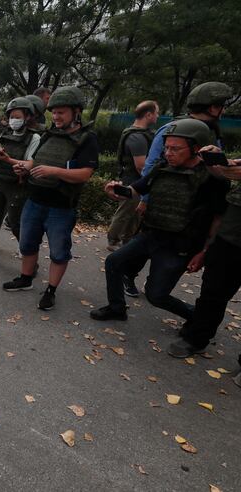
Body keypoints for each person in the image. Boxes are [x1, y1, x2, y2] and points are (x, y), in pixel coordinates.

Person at [90, 119, 229, 322]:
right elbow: (135, 190)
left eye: (175, 149)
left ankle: (197, 317)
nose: (168, 153)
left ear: (196, 148)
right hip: (151, 234)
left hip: (181, 245)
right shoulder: (162, 167)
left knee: (156, 295)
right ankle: (116, 308)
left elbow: (218, 219)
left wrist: (204, 252)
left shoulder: (211, 180)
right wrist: (115, 191)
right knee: (114, 262)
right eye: (166, 148)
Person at [2, 86, 98, 310]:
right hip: (35, 200)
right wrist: (24, 168)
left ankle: (51, 290)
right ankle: (26, 278)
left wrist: (53, 171)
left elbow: (85, 174)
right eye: (53, 112)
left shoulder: (86, 138)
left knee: (58, 251)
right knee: (26, 243)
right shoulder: (48, 134)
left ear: (76, 112)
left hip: (61, 207)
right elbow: (35, 162)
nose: (56, 117)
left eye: (61, 112)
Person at [167, 149, 241, 358]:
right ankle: (196, 338)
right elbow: (226, 171)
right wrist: (214, 161)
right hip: (230, 238)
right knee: (213, 292)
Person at [0, 97, 41, 265]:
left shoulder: (33, 138)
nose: (14, 120)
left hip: (18, 185)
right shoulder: (5, 134)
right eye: (11, 116)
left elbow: (29, 163)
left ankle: (29, 255)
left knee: (15, 223)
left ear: (27, 117)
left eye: (17, 116)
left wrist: (6, 159)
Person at [106, 101, 159, 252]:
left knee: (134, 213)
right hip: (133, 180)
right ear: (148, 115)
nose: (158, 116)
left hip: (134, 179)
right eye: (156, 112)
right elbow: (141, 165)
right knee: (125, 211)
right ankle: (113, 240)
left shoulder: (138, 134)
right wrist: (150, 182)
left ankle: (126, 240)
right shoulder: (137, 137)